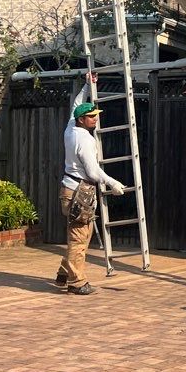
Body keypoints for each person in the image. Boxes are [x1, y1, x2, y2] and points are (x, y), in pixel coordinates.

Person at [56, 101, 125, 294]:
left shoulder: (70, 129)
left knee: (81, 237)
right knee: (78, 239)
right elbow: (93, 172)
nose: (96, 118)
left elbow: (76, 103)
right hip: (79, 192)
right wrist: (112, 183)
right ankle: (76, 283)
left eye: (96, 115)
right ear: (81, 119)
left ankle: (64, 273)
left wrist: (88, 84)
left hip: (72, 189)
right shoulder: (85, 140)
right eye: (91, 116)